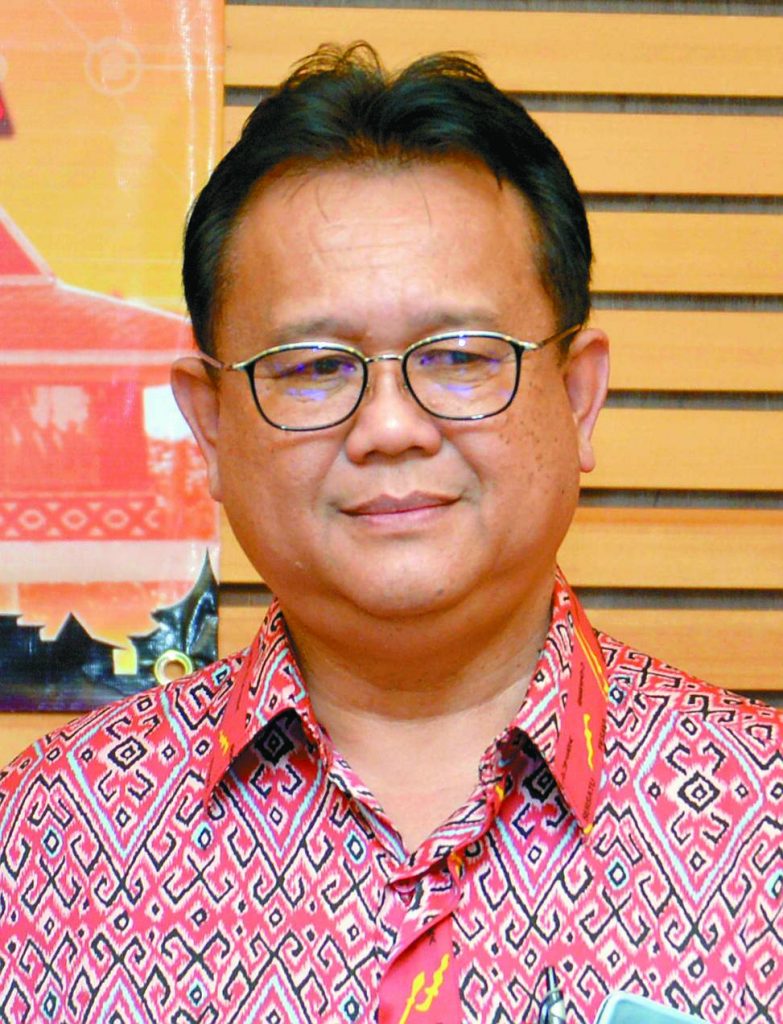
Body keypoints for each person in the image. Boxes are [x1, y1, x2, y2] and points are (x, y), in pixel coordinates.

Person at [0, 44, 780, 1024]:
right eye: (313, 367)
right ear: (209, 427)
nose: (389, 427)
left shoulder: (764, 822)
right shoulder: (45, 842)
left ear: (579, 397)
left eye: (459, 355)